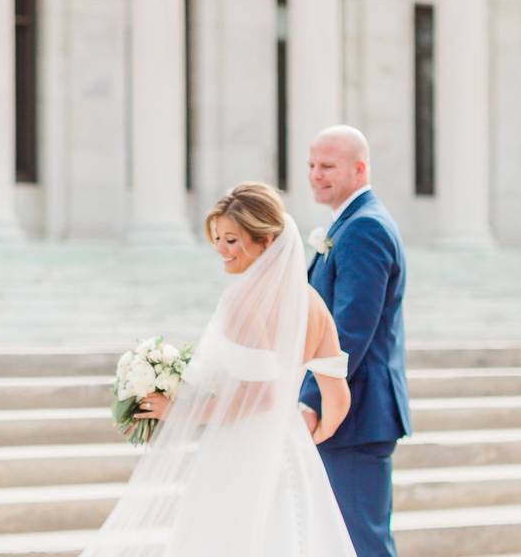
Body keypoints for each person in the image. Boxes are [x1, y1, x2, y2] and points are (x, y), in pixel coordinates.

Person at [81, 182, 356, 557]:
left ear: (266, 242)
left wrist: (174, 410)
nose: (221, 250)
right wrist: (306, 433)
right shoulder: (313, 303)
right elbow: (337, 398)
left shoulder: (242, 303)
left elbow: (259, 394)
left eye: (232, 240)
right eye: (218, 238)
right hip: (291, 451)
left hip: (239, 455)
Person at [299, 125, 412, 557]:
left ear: (360, 168)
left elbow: (351, 329)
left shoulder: (365, 228)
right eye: (311, 165)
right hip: (348, 411)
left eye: (327, 166)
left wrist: (311, 400)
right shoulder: (350, 223)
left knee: (361, 541)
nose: (315, 174)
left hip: (355, 413)